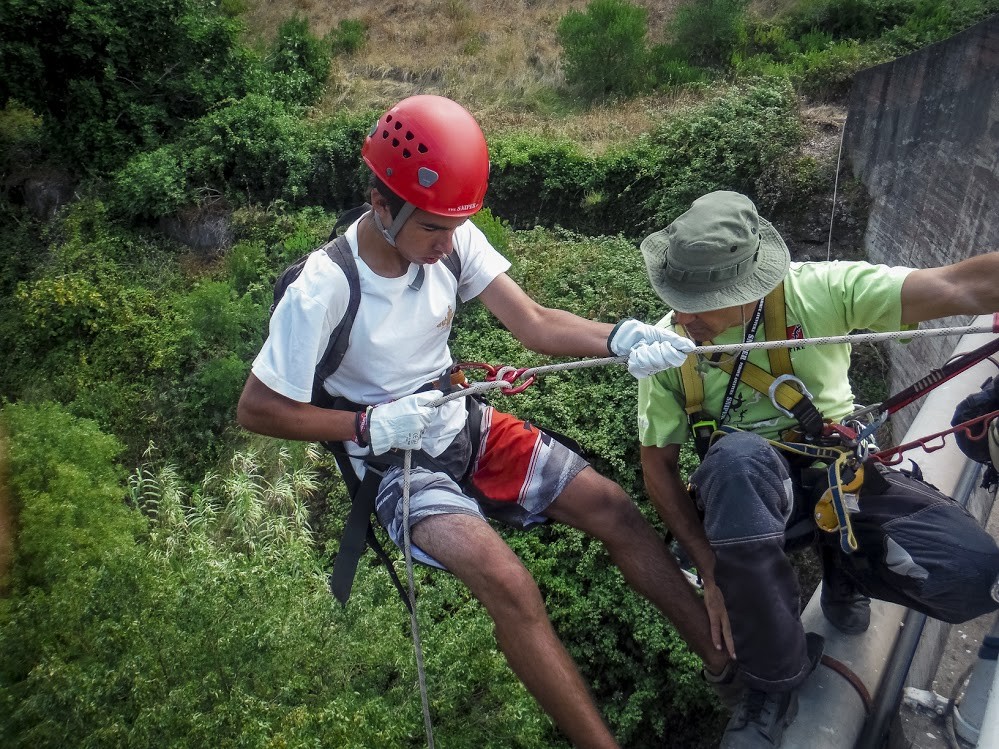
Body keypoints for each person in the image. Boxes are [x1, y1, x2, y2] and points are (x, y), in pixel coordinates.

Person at [237, 94, 729, 749]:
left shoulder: (450, 235)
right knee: (508, 582)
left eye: (453, 228)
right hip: (395, 463)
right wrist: (368, 428)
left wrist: (620, 338)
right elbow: (258, 408)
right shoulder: (323, 289)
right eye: (433, 231)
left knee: (611, 507)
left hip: (459, 422)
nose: (446, 248)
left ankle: (728, 668)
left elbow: (533, 321)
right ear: (381, 205)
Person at [635, 190, 999, 748]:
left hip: (837, 478)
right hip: (747, 502)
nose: (683, 316)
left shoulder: (820, 292)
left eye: (699, 301)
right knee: (736, 462)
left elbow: (955, 286)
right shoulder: (666, 348)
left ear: (748, 288)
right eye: (677, 297)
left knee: (975, 579)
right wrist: (707, 567)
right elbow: (657, 467)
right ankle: (773, 680)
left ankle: (846, 569)